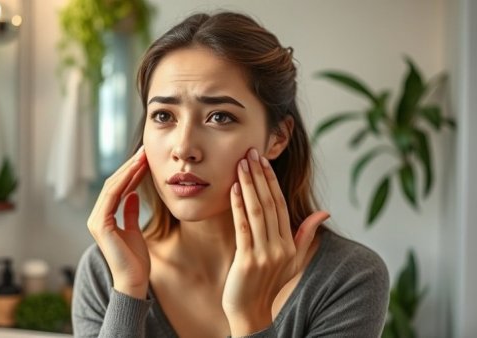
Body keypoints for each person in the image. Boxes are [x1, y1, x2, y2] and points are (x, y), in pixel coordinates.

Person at [72, 11, 389, 338]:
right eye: (164, 115)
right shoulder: (107, 270)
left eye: (220, 117)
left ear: (278, 137)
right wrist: (128, 292)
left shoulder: (346, 278)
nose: (184, 148)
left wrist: (249, 316)